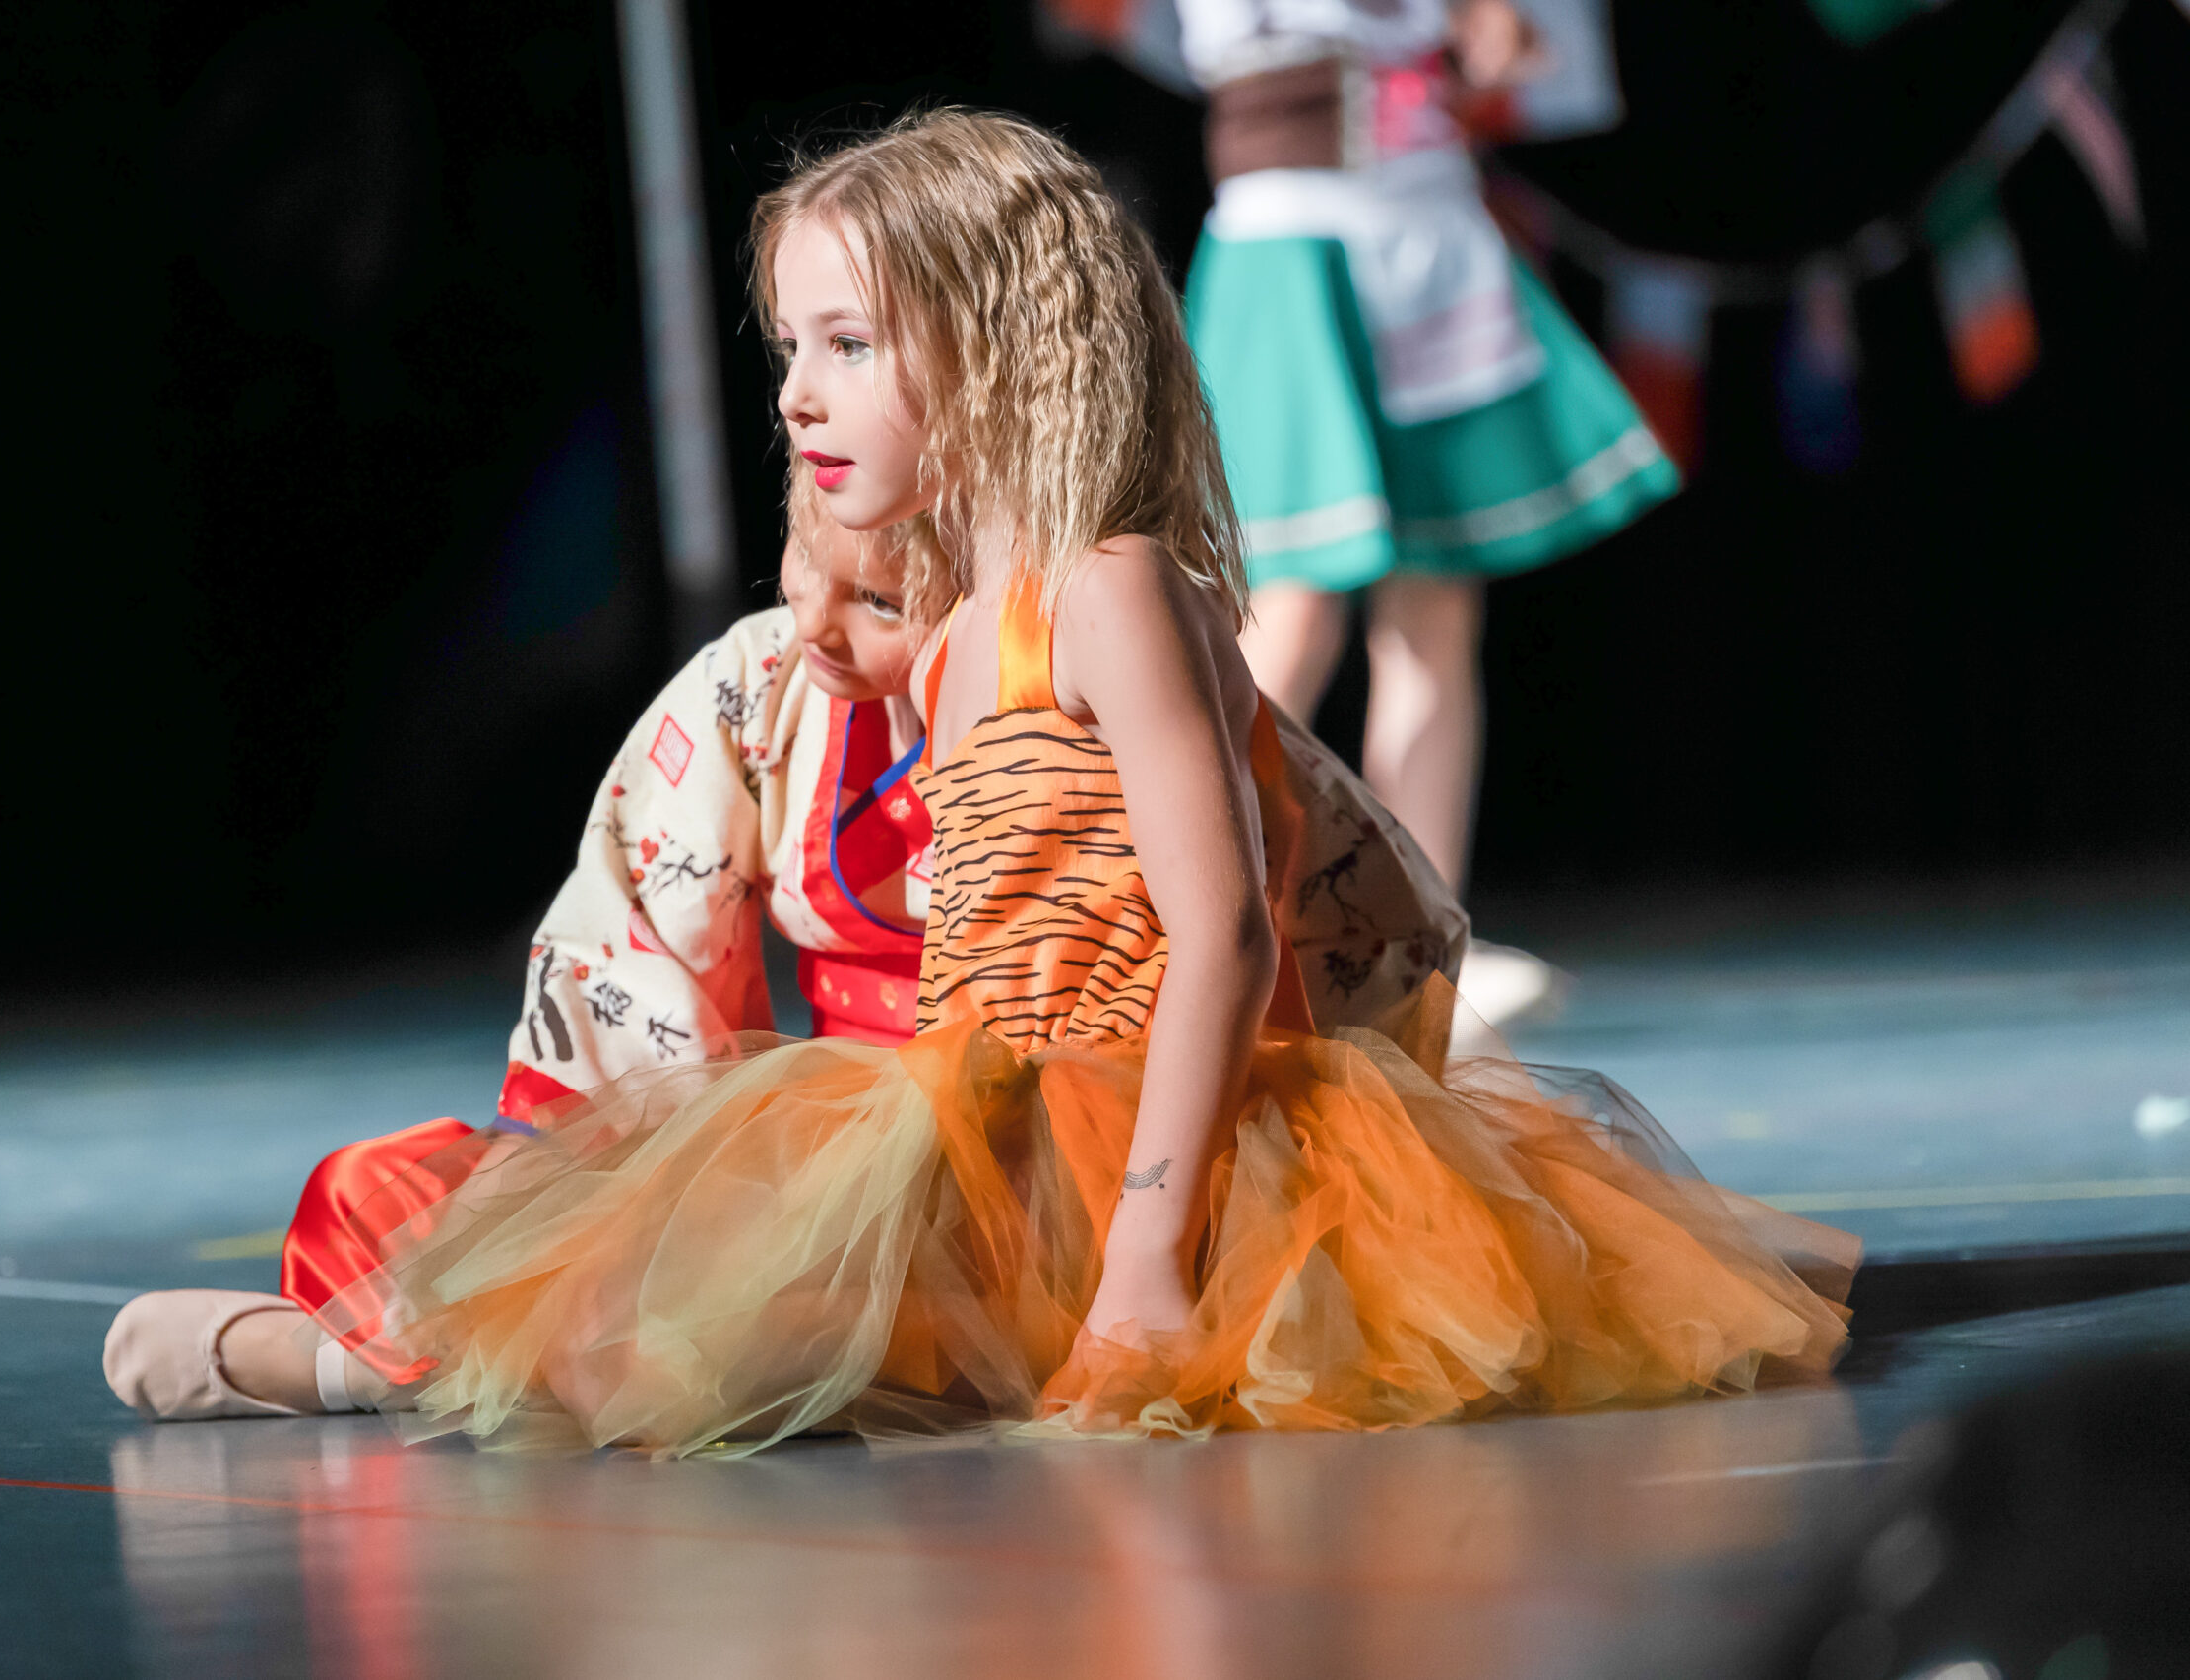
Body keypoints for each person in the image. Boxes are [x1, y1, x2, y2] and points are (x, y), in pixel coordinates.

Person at [107, 111, 1849, 1454]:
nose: (799, 394)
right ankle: (356, 1358)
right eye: (791, 348)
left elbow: (1225, 933)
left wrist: (1157, 1254)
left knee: (721, 1355)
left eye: (850, 345)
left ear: (1004, 345)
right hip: (979, 1117)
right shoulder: (938, 636)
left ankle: (338, 1368)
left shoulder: (1111, 591)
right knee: (684, 1328)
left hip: (1141, 1148)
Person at [1176, 0, 1680, 1020]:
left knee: (1438, 602)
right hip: (1294, 234)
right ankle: (1210, 921)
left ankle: (1421, 941)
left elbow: (1530, 59)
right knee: (1298, 600)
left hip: (1426, 231)